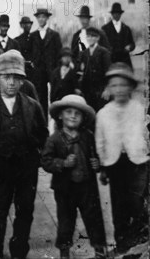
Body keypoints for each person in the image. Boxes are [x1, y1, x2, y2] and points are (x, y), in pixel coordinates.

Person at [0, 51, 48, 259]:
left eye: (17, 78)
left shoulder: (32, 106)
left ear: (23, 81)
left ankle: (19, 251)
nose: (12, 83)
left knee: (25, 212)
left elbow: (42, 134)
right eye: (6, 78)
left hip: (26, 169)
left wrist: (35, 158)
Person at [41, 95, 108, 259]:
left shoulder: (88, 136)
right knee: (65, 222)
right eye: (68, 112)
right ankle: (64, 252)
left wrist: (97, 164)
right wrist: (62, 163)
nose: (73, 116)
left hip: (87, 187)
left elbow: (97, 155)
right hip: (65, 189)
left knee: (94, 219)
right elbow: (45, 161)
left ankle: (100, 250)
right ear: (60, 115)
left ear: (83, 118)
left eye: (77, 113)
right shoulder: (54, 139)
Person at [95, 63, 149, 253]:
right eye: (114, 85)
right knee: (118, 205)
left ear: (130, 87)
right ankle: (121, 243)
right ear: (109, 88)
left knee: (136, 202)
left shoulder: (139, 109)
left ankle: (137, 241)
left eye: (123, 85)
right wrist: (102, 166)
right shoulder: (103, 114)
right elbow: (100, 141)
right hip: (114, 164)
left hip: (138, 162)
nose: (119, 89)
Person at [31, 7, 63, 118]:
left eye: (43, 17)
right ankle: (43, 122)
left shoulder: (54, 35)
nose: (41, 19)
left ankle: (56, 120)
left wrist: (57, 69)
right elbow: (31, 54)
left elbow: (60, 53)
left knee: (55, 95)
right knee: (41, 98)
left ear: (47, 18)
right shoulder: (33, 35)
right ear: (36, 19)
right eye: (39, 17)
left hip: (52, 69)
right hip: (39, 72)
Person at [78, 27, 112, 112]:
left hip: (101, 91)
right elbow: (82, 72)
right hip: (88, 91)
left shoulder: (104, 52)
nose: (90, 38)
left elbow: (109, 72)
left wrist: (107, 89)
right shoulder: (84, 53)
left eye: (93, 36)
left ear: (98, 38)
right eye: (88, 36)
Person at [101, 2, 135, 68]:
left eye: (118, 13)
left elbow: (132, 44)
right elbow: (101, 46)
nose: (116, 15)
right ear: (112, 14)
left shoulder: (126, 28)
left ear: (121, 14)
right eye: (114, 13)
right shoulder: (105, 29)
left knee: (127, 77)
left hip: (125, 61)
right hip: (110, 61)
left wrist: (130, 47)